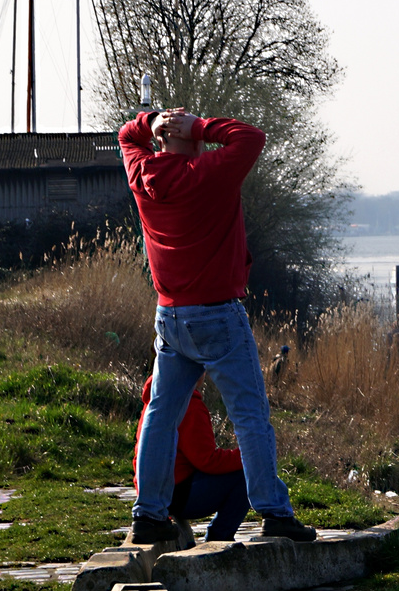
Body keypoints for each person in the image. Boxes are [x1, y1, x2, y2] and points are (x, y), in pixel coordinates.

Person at [121, 105, 315, 545]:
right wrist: (203, 126)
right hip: (218, 315)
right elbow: (251, 137)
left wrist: (149, 122)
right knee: (250, 416)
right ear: (192, 138)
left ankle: (148, 515)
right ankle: (273, 511)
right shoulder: (211, 171)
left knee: (160, 414)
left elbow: (126, 137)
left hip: (170, 316)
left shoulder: (142, 171)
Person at [137, 375, 250, 542]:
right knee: (247, 476)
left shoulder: (155, 401)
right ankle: (219, 537)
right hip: (177, 496)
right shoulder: (189, 405)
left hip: (152, 495)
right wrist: (247, 456)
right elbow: (207, 460)